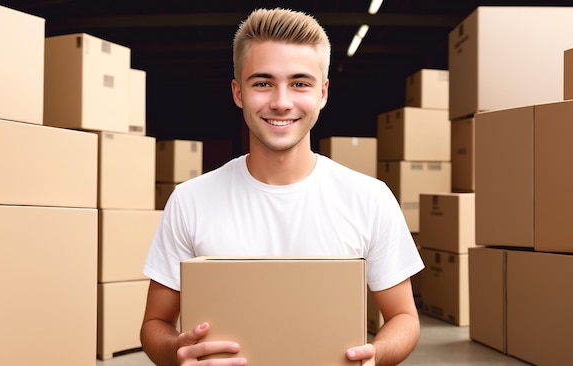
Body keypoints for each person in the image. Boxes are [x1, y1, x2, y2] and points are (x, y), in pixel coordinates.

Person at [140, 7, 424, 366]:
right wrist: (178, 352)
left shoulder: (370, 198)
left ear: (322, 93)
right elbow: (155, 324)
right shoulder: (190, 200)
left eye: (299, 83)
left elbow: (404, 318)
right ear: (238, 92)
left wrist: (375, 354)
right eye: (262, 83)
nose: (281, 102)